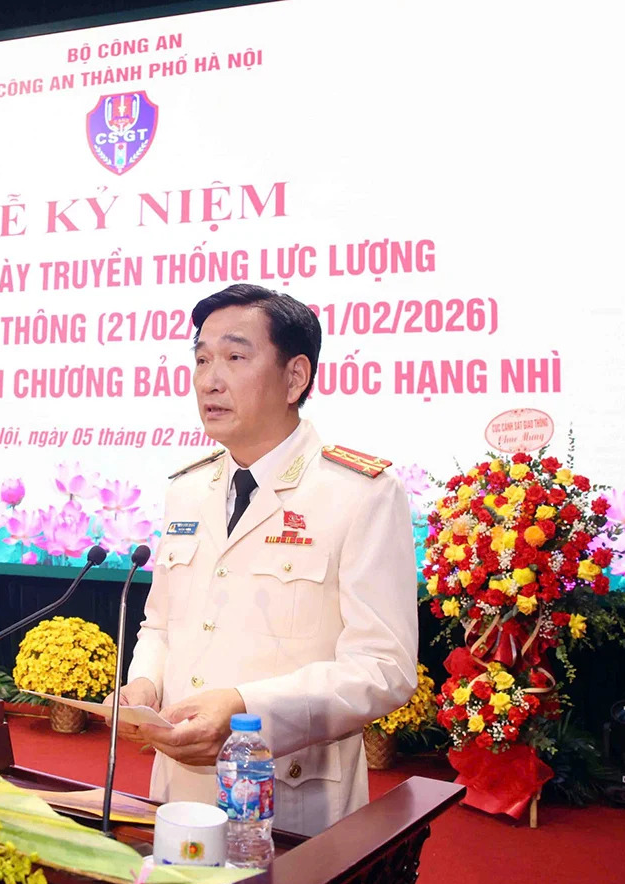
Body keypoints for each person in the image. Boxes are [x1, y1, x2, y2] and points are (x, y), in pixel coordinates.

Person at [107, 283, 418, 837]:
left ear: (295, 378)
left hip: (290, 797)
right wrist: (145, 685)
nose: (209, 380)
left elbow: (384, 669)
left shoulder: (359, 493)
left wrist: (246, 708)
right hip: (177, 791)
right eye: (202, 359)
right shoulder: (188, 489)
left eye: (234, 357)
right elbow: (161, 625)